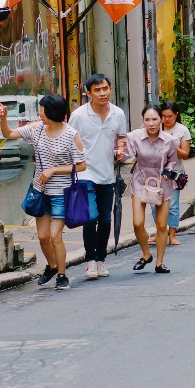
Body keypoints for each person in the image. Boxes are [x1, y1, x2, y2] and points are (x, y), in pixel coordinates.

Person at [0, 94, 85, 291]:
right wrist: (3, 118)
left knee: (55, 235)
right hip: (40, 191)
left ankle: (62, 275)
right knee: (43, 237)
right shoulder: (37, 130)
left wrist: (53, 170)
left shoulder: (71, 135)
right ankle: (52, 266)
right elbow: (9, 134)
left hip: (62, 192)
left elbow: (81, 166)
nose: (39, 113)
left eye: (42, 110)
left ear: (51, 112)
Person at [68, 73, 129, 280]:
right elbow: (70, 140)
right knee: (91, 216)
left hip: (107, 173)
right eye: (97, 90)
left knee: (104, 218)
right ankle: (90, 260)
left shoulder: (118, 114)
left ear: (110, 89)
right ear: (88, 93)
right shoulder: (79, 115)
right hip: (85, 172)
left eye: (105, 88)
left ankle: (101, 260)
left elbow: (121, 137)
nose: (102, 93)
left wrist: (120, 150)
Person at [125, 105, 183, 274]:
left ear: (161, 120)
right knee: (137, 223)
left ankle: (159, 262)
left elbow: (173, 160)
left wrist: (169, 171)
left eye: (155, 119)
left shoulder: (170, 140)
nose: (151, 123)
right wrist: (118, 151)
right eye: (147, 120)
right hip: (140, 180)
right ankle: (146, 254)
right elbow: (126, 155)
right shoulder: (134, 137)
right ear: (143, 121)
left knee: (161, 225)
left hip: (161, 183)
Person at [159, 102, 192, 245]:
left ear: (176, 115)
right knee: (156, 204)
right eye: (164, 116)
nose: (166, 119)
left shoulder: (182, 130)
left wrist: (172, 145)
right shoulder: (155, 127)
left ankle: (172, 234)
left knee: (172, 205)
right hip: (157, 172)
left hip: (175, 172)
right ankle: (160, 233)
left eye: (170, 116)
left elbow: (185, 154)